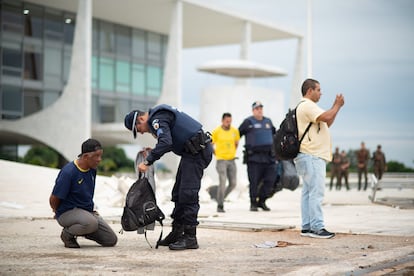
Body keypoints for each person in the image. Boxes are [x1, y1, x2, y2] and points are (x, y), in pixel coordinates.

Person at [124, 104, 212, 250]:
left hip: (197, 153)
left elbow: (166, 142)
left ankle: (190, 237)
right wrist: (154, 150)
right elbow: (171, 140)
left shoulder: (156, 119)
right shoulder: (159, 117)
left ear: (140, 119)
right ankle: (177, 232)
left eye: (138, 129)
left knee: (188, 193)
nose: (140, 133)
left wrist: (148, 161)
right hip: (190, 153)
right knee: (178, 193)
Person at [294, 78, 344, 239]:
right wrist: (337, 105)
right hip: (312, 155)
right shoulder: (307, 105)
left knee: (308, 192)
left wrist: (336, 109)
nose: (321, 93)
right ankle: (317, 227)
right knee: (316, 191)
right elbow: (327, 116)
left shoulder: (306, 107)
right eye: (318, 89)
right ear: (310, 91)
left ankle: (307, 226)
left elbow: (326, 122)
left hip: (307, 155)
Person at [49, 139, 118, 248]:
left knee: (110, 240)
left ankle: (84, 228)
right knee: (91, 223)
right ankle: (67, 234)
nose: (99, 160)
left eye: (100, 156)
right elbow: (53, 198)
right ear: (86, 156)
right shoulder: (69, 172)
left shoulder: (92, 169)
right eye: (96, 156)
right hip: (67, 212)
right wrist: (56, 211)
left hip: (86, 212)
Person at [238, 101, 277, 212]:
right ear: (253, 110)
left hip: (268, 157)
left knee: (270, 180)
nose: (259, 110)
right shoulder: (248, 122)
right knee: (254, 182)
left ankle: (262, 201)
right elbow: (236, 135)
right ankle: (253, 203)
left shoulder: (268, 121)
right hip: (254, 158)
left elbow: (275, 134)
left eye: (261, 108)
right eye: (257, 108)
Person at [211, 112, 240, 213]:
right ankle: (220, 205)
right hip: (221, 160)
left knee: (233, 183)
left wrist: (232, 152)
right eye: (227, 121)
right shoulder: (217, 131)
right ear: (222, 121)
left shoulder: (235, 131)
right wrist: (216, 154)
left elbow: (236, 143)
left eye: (230, 121)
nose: (229, 123)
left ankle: (220, 198)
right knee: (222, 182)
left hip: (231, 160)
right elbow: (211, 144)